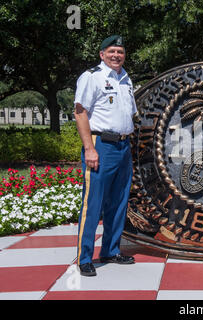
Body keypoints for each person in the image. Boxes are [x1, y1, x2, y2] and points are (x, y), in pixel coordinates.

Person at [74, 35, 137, 277]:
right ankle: (85, 258)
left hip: (123, 147)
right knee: (93, 204)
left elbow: (129, 114)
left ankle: (110, 250)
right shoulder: (92, 77)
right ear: (102, 54)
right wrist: (89, 148)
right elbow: (80, 112)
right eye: (111, 51)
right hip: (101, 145)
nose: (116, 55)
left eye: (120, 52)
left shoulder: (125, 78)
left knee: (119, 202)